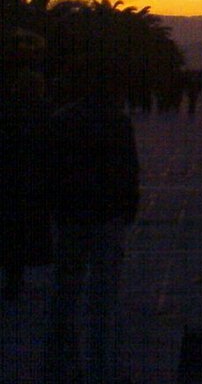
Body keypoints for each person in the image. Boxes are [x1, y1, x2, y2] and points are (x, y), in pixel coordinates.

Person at [48, 59, 140, 384]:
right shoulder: (117, 122)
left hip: (70, 216)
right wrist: (129, 209)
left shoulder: (61, 120)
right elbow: (129, 171)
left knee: (65, 292)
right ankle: (102, 369)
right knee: (103, 297)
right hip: (106, 216)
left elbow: (49, 170)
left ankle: (62, 366)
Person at [0, 65, 53, 301]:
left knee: (10, 231)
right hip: (30, 183)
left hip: (9, 181)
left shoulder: (7, 109)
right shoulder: (44, 111)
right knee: (20, 232)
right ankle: (14, 278)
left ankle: (12, 277)